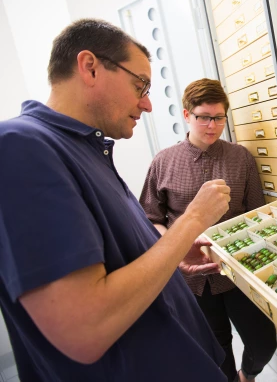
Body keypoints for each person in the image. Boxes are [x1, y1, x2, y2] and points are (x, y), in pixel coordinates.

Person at [0, 19, 232, 382]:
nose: (148, 103)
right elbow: (86, 328)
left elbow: (117, 254)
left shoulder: (84, 148)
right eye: (140, 84)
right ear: (90, 67)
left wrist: (172, 248)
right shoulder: (18, 146)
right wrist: (190, 222)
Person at [139, 78, 277, 382]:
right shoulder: (163, 161)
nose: (212, 126)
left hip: (238, 271)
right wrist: (174, 250)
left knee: (263, 341)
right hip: (192, 280)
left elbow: (256, 211)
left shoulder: (240, 158)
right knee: (217, 352)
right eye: (204, 117)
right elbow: (150, 218)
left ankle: (247, 376)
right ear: (187, 115)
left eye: (218, 118)